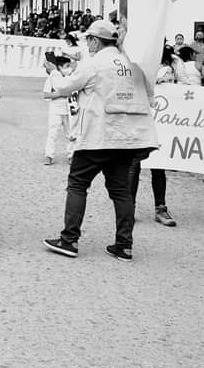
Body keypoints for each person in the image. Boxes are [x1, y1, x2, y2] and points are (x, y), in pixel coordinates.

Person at [42, 20, 157, 261]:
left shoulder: (94, 64)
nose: (87, 44)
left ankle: (69, 240)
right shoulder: (133, 64)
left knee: (77, 184)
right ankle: (124, 245)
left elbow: (64, 87)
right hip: (127, 138)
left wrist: (52, 69)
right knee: (121, 191)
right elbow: (149, 95)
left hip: (98, 135)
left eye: (88, 40)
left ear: (95, 40)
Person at [128, 44, 182, 227]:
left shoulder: (174, 63)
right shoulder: (136, 63)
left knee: (158, 166)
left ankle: (161, 208)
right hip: (140, 120)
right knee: (134, 165)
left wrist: (169, 85)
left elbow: (185, 88)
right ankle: (129, 207)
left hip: (162, 122)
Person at [43, 55, 77, 165]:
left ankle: (71, 155)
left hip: (69, 110)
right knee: (52, 133)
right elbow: (46, 94)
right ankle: (49, 155)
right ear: (59, 67)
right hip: (56, 110)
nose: (69, 68)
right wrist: (60, 94)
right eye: (67, 66)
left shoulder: (71, 78)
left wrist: (63, 93)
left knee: (71, 134)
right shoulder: (51, 78)